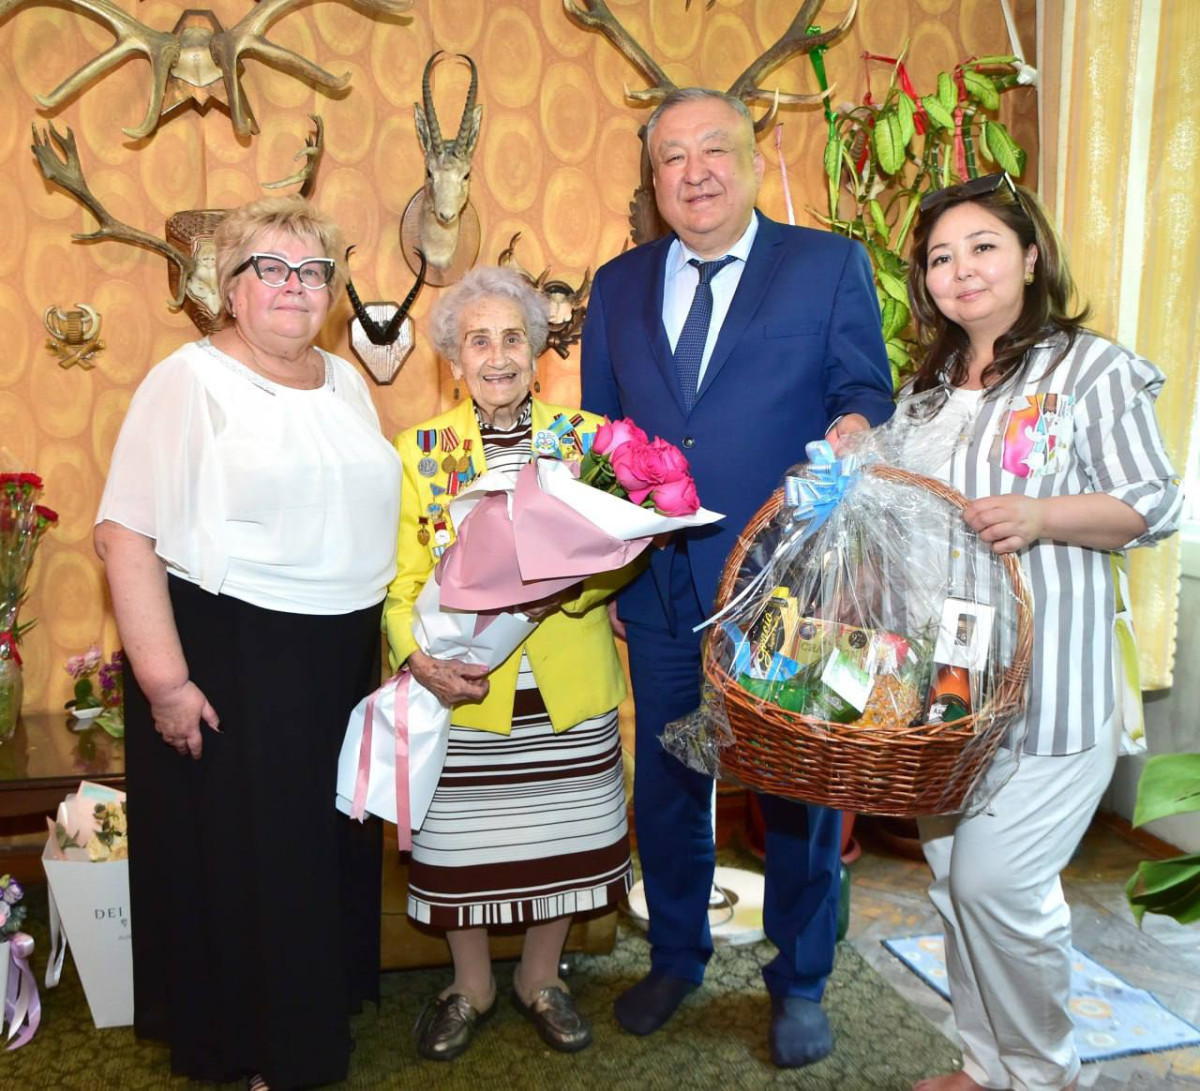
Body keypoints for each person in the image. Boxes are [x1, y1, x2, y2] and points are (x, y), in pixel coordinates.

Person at [580, 87, 895, 1067]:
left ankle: (800, 977)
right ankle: (676, 952)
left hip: (787, 580)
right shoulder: (618, 283)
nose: (695, 172)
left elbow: (865, 391)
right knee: (669, 778)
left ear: (754, 160)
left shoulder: (827, 265)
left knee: (799, 783)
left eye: (714, 149)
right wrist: (614, 571)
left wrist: (852, 436)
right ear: (653, 179)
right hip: (661, 583)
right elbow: (604, 437)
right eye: (672, 157)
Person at [94, 195, 400, 1089]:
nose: (294, 286)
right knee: (261, 862)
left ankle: (310, 1020)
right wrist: (164, 682)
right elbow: (125, 536)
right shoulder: (186, 382)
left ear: (332, 291)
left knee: (318, 851)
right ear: (230, 289)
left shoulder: (345, 382)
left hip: (340, 660)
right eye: (270, 267)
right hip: (235, 657)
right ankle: (270, 1052)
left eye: (313, 271)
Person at [893, 173, 1181, 1091]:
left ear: (1029, 256)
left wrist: (1041, 514)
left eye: (982, 247)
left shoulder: (1089, 370)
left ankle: (1049, 1076)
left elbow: (1153, 501)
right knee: (954, 883)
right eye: (941, 257)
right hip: (948, 688)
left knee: (1000, 889)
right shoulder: (926, 391)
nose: (961, 270)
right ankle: (986, 1062)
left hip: (1055, 685)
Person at [384, 266, 633, 1062]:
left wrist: (571, 590)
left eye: (513, 338)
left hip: (566, 685)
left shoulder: (587, 439)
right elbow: (400, 584)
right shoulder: (420, 451)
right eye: (478, 341)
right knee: (462, 847)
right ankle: (471, 984)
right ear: (455, 358)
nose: (497, 356)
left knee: (562, 835)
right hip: (465, 688)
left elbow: (623, 553)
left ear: (537, 352)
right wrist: (415, 656)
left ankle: (539, 975)